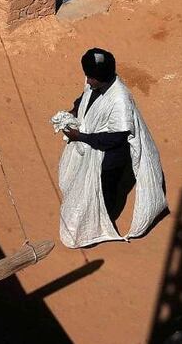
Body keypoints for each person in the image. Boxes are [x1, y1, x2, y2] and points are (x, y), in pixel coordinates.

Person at [57, 48, 167, 248]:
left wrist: (79, 136)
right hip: (91, 148)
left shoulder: (120, 100)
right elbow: (85, 97)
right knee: (83, 187)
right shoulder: (97, 82)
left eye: (91, 78)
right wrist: (74, 110)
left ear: (103, 78)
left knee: (103, 191)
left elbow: (114, 139)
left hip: (109, 159)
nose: (88, 81)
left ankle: (100, 222)